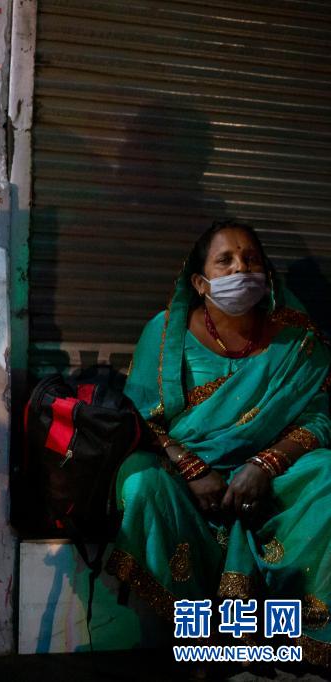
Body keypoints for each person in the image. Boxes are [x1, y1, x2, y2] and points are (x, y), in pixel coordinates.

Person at [108, 220, 331, 668]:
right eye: (225, 261)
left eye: (251, 259)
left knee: (326, 473)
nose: (240, 269)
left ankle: (293, 639)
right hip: (187, 475)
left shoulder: (296, 340)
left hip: (273, 477)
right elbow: (139, 420)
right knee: (139, 481)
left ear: (267, 273)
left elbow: (320, 417)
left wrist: (264, 465)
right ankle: (200, 636)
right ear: (199, 281)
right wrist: (193, 469)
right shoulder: (166, 334)